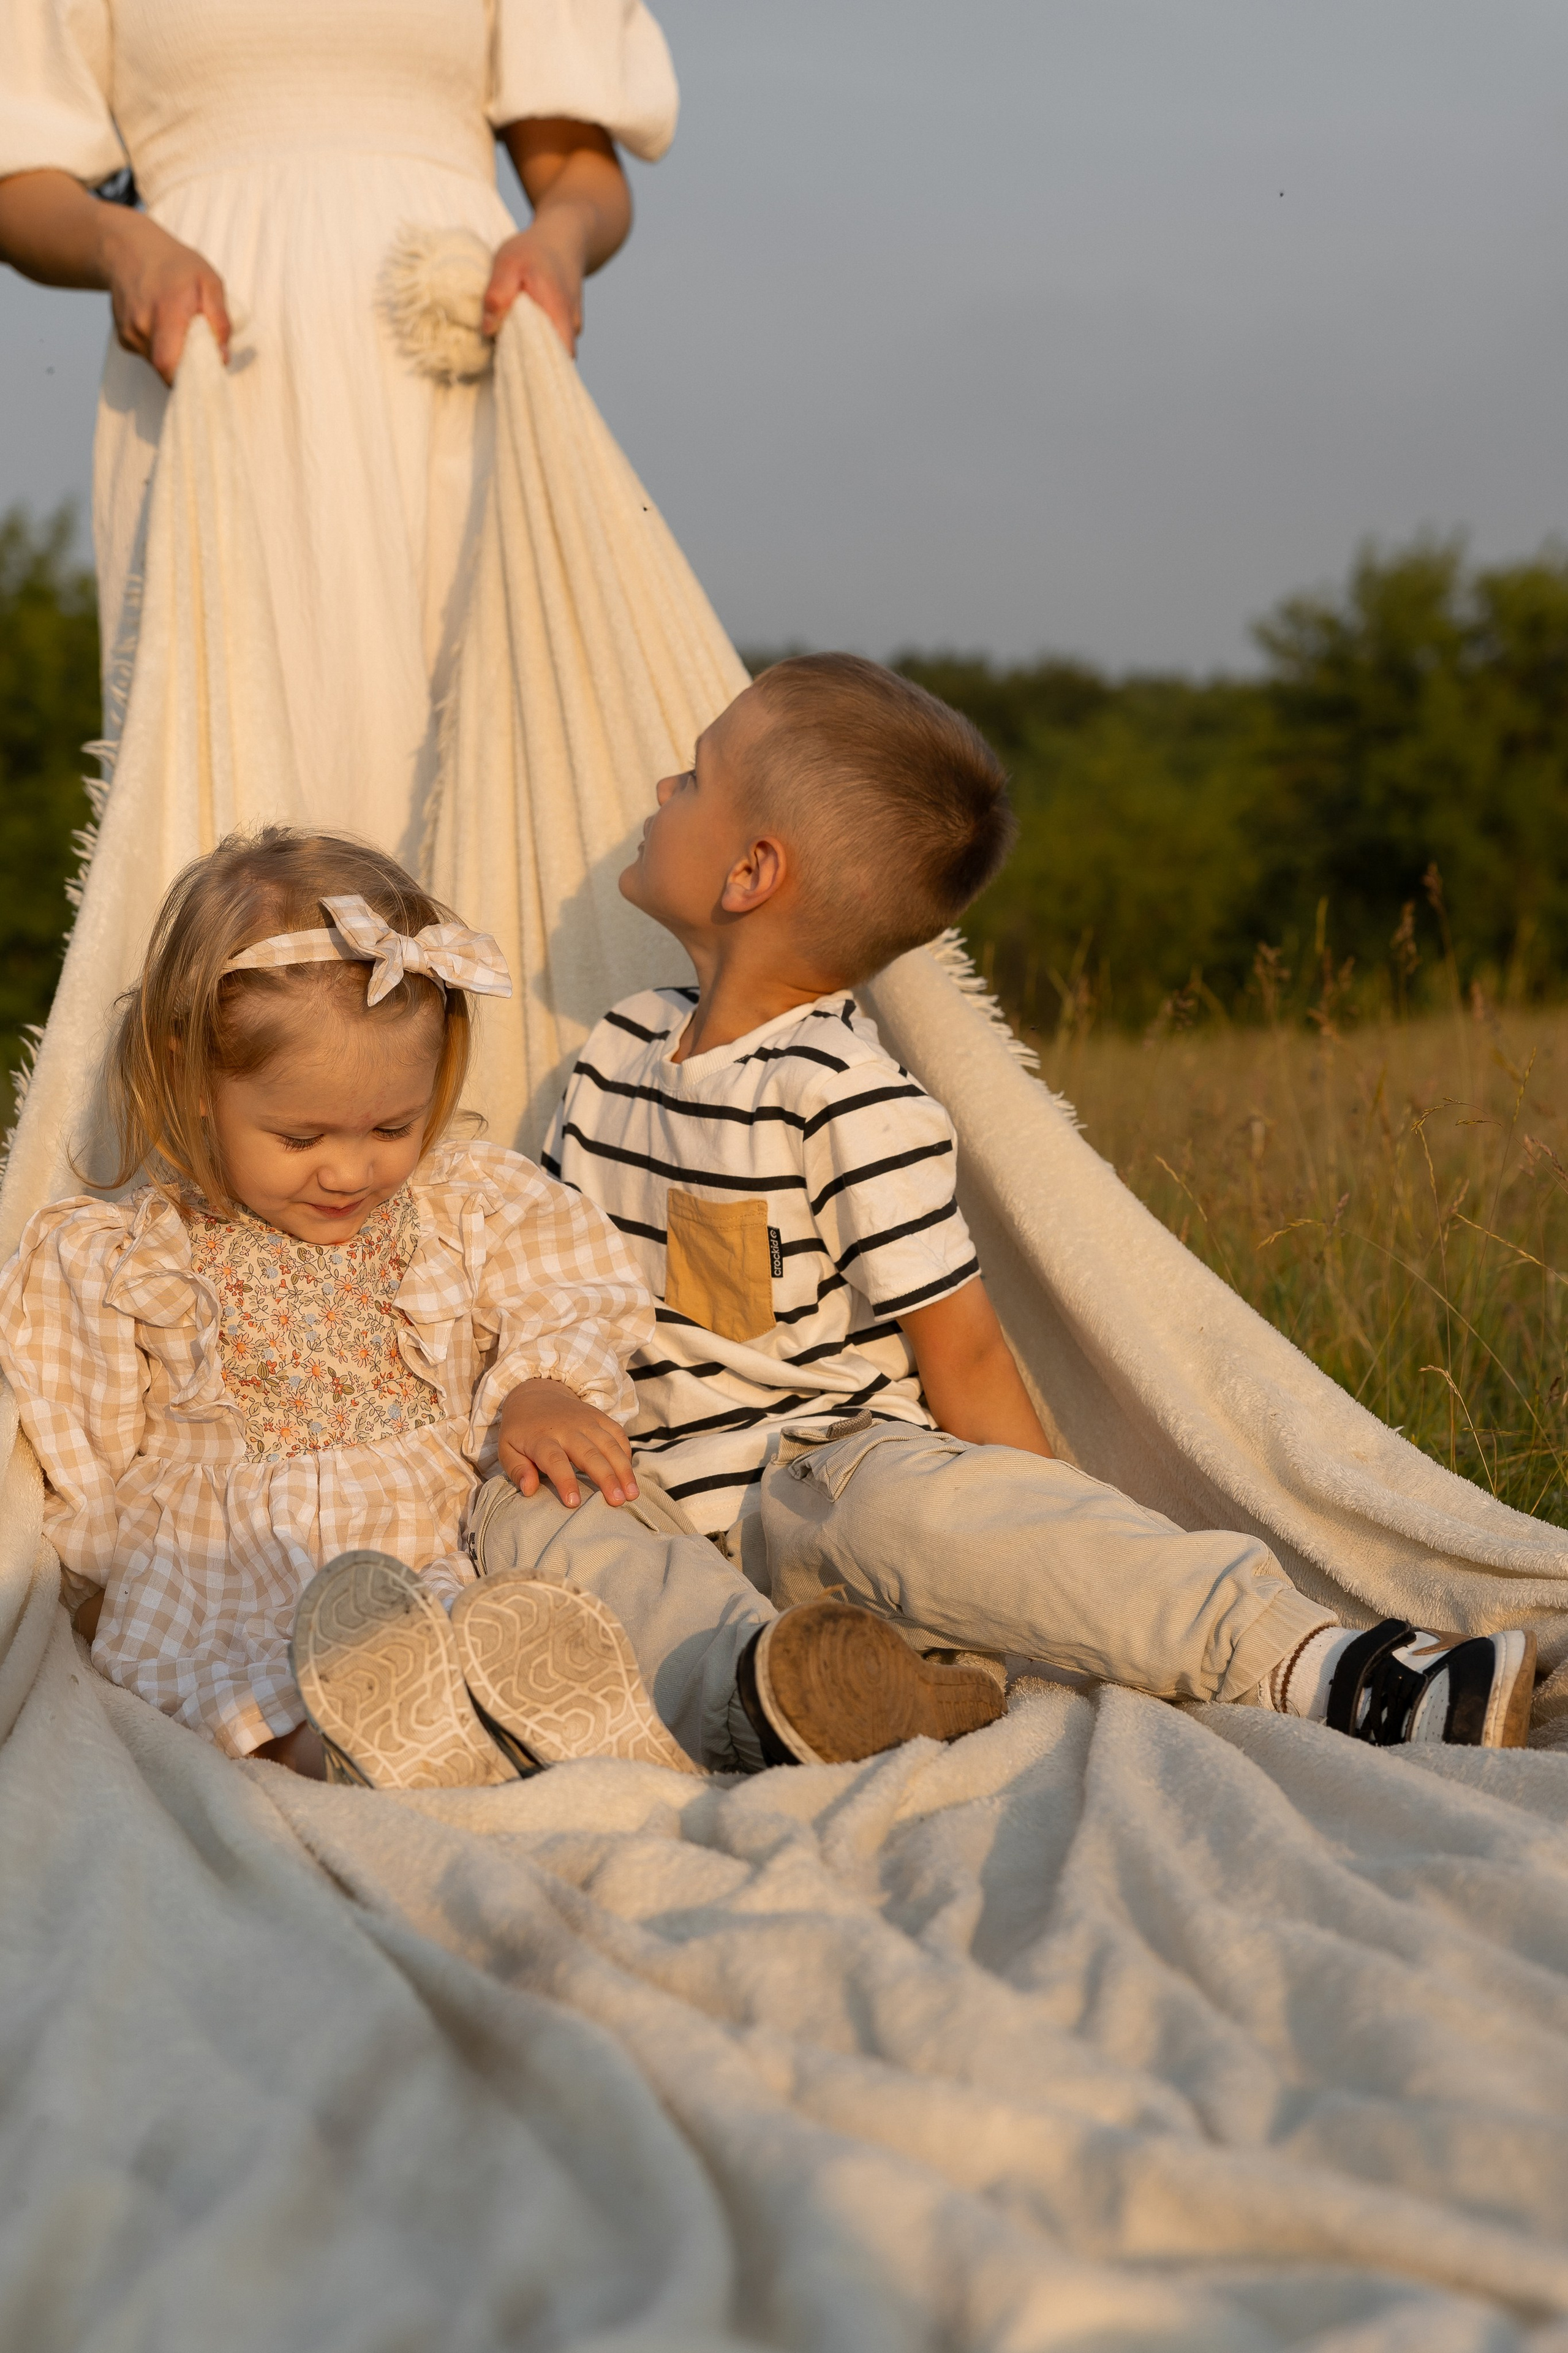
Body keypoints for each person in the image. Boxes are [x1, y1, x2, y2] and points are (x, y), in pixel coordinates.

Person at [540, 654, 1539, 1751]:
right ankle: (799, 1699)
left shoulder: (843, 1096)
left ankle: (1330, 1668)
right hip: (666, 1518)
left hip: (818, 1479)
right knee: (542, 1517)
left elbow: (963, 1358)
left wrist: (1052, 1533)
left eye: (689, 778)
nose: (656, 795)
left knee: (915, 1508)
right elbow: (535, 1272)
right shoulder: (616, 1054)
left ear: (751, 873)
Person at [0, 826, 1003, 1788]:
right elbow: (81, 1436)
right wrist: (111, 1538)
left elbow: (568, 1285)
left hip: (434, 1530)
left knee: (522, 1595)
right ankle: (345, 1751)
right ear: (189, 1076)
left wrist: (541, 1389)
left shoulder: (460, 1199)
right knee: (221, 1687)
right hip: (230, 1555)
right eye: (303, 1137)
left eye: (392, 1123)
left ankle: (544, 1713)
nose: (352, 1169)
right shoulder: (124, 1253)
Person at [0, 0, 677, 855]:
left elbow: (579, 164)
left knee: (488, 761)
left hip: (451, 356)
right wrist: (122, 243)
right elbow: (19, 178)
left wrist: (558, 237)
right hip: (203, 363)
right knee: (233, 773)